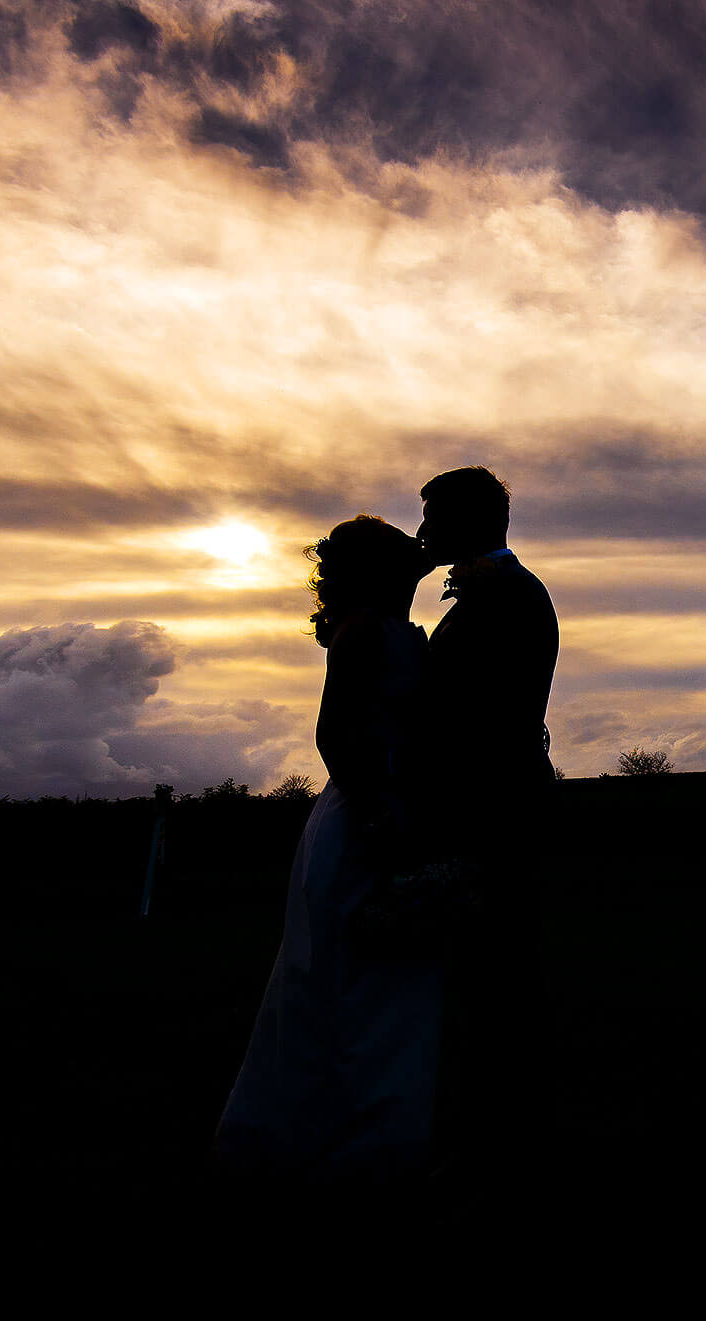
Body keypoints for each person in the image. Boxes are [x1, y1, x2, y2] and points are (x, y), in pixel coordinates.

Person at [211, 515, 442, 1227]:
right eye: (403, 551)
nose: (420, 553)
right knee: (343, 975)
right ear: (380, 570)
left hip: (389, 805)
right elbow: (335, 732)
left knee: (375, 985)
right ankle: (334, 1143)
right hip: (365, 816)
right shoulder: (365, 630)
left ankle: (362, 1134)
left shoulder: (393, 628)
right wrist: (381, 815)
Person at [414, 466, 561, 1214]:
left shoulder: (507, 598)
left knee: (495, 973)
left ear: (473, 521)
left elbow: (471, 716)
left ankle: (499, 1150)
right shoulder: (499, 592)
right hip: (493, 804)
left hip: (493, 811)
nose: (423, 534)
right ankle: (496, 1137)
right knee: (487, 976)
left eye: (433, 517)